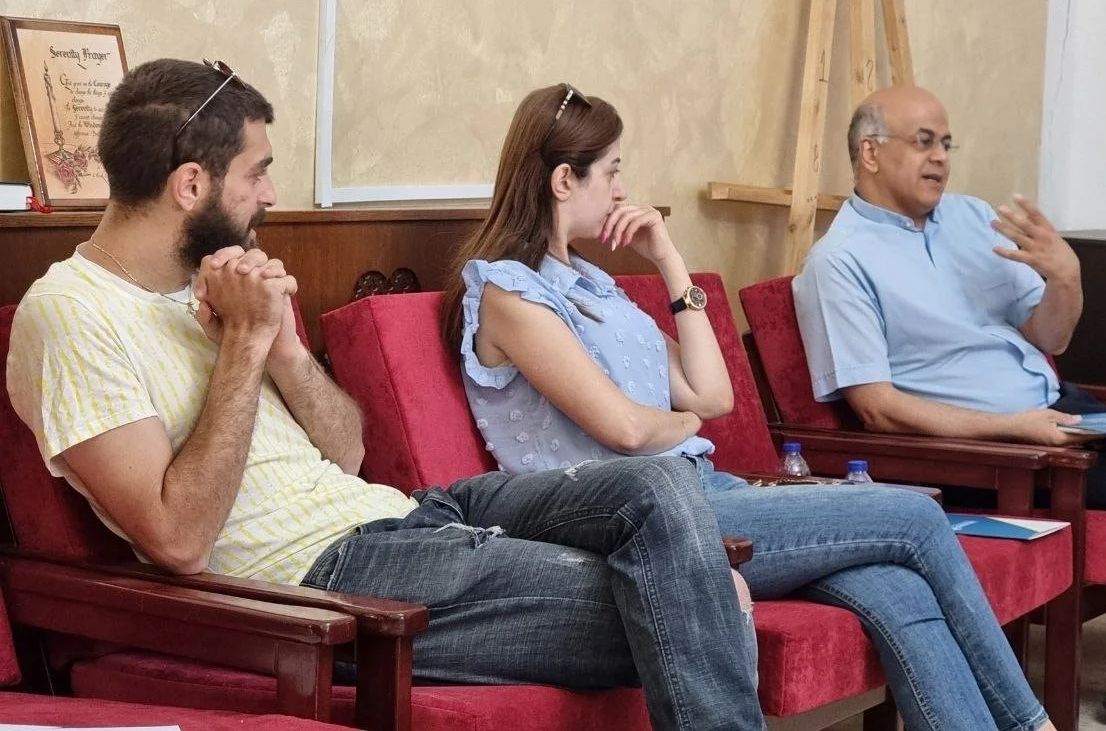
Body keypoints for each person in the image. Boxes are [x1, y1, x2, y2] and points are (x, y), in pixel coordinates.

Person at [5, 58, 766, 731]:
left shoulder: (217, 282)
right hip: (329, 577)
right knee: (710, 593)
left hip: (408, 515)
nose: (270, 194)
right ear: (191, 185)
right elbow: (178, 541)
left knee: (656, 486)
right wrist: (242, 348)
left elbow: (348, 452)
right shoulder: (70, 313)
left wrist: (285, 348)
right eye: (257, 173)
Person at [441, 82, 1058, 731]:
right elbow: (625, 429)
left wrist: (670, 262)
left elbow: (713, 395)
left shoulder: (594, 284)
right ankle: (1030, 723)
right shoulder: (509, 292)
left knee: (895, 586)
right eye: (613, 172)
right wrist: (683, 425)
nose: (623, 190)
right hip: (651, 520)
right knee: (917, 517)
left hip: (705, 490)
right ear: (566, 180)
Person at [792, 83, 1106, 731]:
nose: (940, 158)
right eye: (924, 142)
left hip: (1055, 410)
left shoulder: (969, 220)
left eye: (946, 144)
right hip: (988, 450)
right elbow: (877, 408)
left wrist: (1067, 276)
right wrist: (1012, 429)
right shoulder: (839, 261)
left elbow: (1051, 335)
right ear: (870, 153)